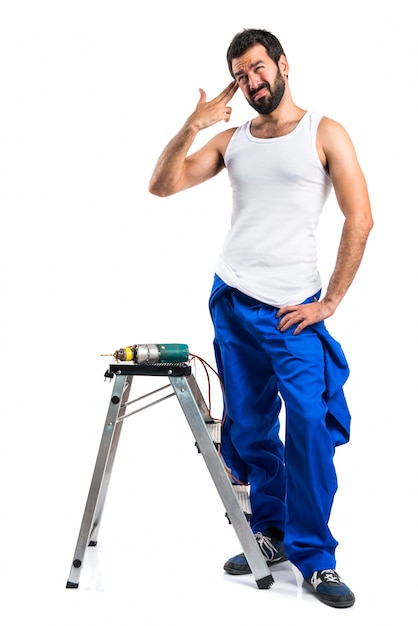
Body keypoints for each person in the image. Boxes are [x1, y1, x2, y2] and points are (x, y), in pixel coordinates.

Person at [149, 28, 373, 609]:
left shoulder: (325, 132)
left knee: (307, 427)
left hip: (293, 311)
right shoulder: (233, 139)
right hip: (232, 299)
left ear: (282, 64)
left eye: (257, 68)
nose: (252, 83)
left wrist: (330, 303)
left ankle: (316, 558)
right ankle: (270, 533)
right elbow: (161, 185)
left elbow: (360, 218)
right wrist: (193, 126)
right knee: (247, 432)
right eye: (241, 76)